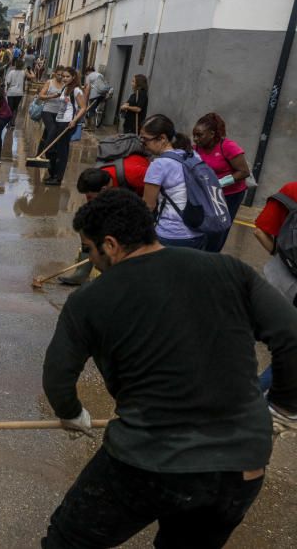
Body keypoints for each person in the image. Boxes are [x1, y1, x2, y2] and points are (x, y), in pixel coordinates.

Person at [42, 188, 297, 548]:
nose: (91, 258)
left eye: (90, 248)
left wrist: (71, 413)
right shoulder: (228, 269)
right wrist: (284, 407)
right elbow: (292, 334)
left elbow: (58, 376)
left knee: (68, 542)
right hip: (240, 467)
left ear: (110, 244)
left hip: (147, 461)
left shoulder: (88, 300)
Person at [59, 158, 150, 285]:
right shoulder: (94, 179)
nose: (88, 199)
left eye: (89, 196)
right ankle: (82, 273)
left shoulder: (132, 173)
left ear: (103, 190)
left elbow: (154, 195)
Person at [253, 181, 297, 393]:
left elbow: (260, 231)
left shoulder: (292, 190)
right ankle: (257, 396)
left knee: (247, 330)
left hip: (278, 277)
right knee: (290, 352)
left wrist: (283, 258)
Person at [140, 114, 206, 249]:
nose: (142, 144)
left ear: (162, 138)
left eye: (145, 140)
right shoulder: (192, 155)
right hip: (199, 232)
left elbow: (148, 206)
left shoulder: (158, 165)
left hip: (171, 234)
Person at [193, 112, 251, 252]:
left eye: (199, 135)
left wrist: (218, 183)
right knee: (203, 224)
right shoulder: (196, 148)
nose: (195, 139)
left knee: (219, 227)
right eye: (194, 135)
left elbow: (243, 172)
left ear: (212, 134)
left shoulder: (227, 146)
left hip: (230, 195)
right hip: (207, 192)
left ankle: (212, 255)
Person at [42, 67, 88, 186]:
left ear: (73, 77)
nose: (65, 78)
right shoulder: (64, 88)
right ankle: (52, 174)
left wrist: (74, 120)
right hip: (59, 120)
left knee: (62, 152)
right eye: (63, 76)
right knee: (50, 148)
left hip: (67, 123)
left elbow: (83, 107)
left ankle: (57, 178)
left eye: (68, 76)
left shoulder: (76, 90)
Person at [82, 65, 111, 130]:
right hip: (102, 95)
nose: (86, 75)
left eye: (86, 73)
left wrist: (85, 102)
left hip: (94, 96)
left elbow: (87, 89)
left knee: (91, 110)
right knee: (96, 110)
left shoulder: (89, 76)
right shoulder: (100, 74)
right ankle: (93, 125)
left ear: (87, 72)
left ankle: (91, 127)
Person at [4, 58, 26, 126]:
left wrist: (6, 90)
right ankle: (13, 122)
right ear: (22, 65)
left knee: (10, 107)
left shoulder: (11, 72)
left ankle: (9, 122)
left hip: (11, 92)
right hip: (19, 93)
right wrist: (23, 90)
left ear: (16, 64)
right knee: (15, 108)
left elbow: (8, 82)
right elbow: (24, 82)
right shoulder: (23, 73)